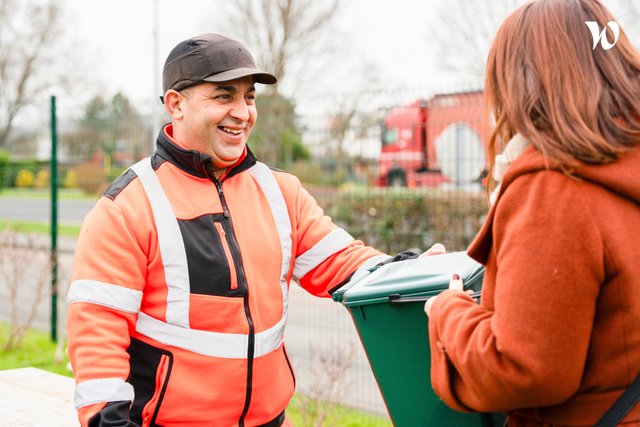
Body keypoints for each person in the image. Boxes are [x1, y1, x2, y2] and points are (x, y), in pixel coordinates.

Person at [66, 33, 421, 427]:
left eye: (248, 97)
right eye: (223, 96)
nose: (242, 112)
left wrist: (417, 273)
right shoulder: (127, 208)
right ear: (176, 104)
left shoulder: (280, 192)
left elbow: (345, 262)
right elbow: (97, 336)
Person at [424, 0, 640, 426]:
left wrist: (447, 309)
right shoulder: (623, 168)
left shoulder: (554, 187)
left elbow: (522, 367)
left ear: (525, 82)